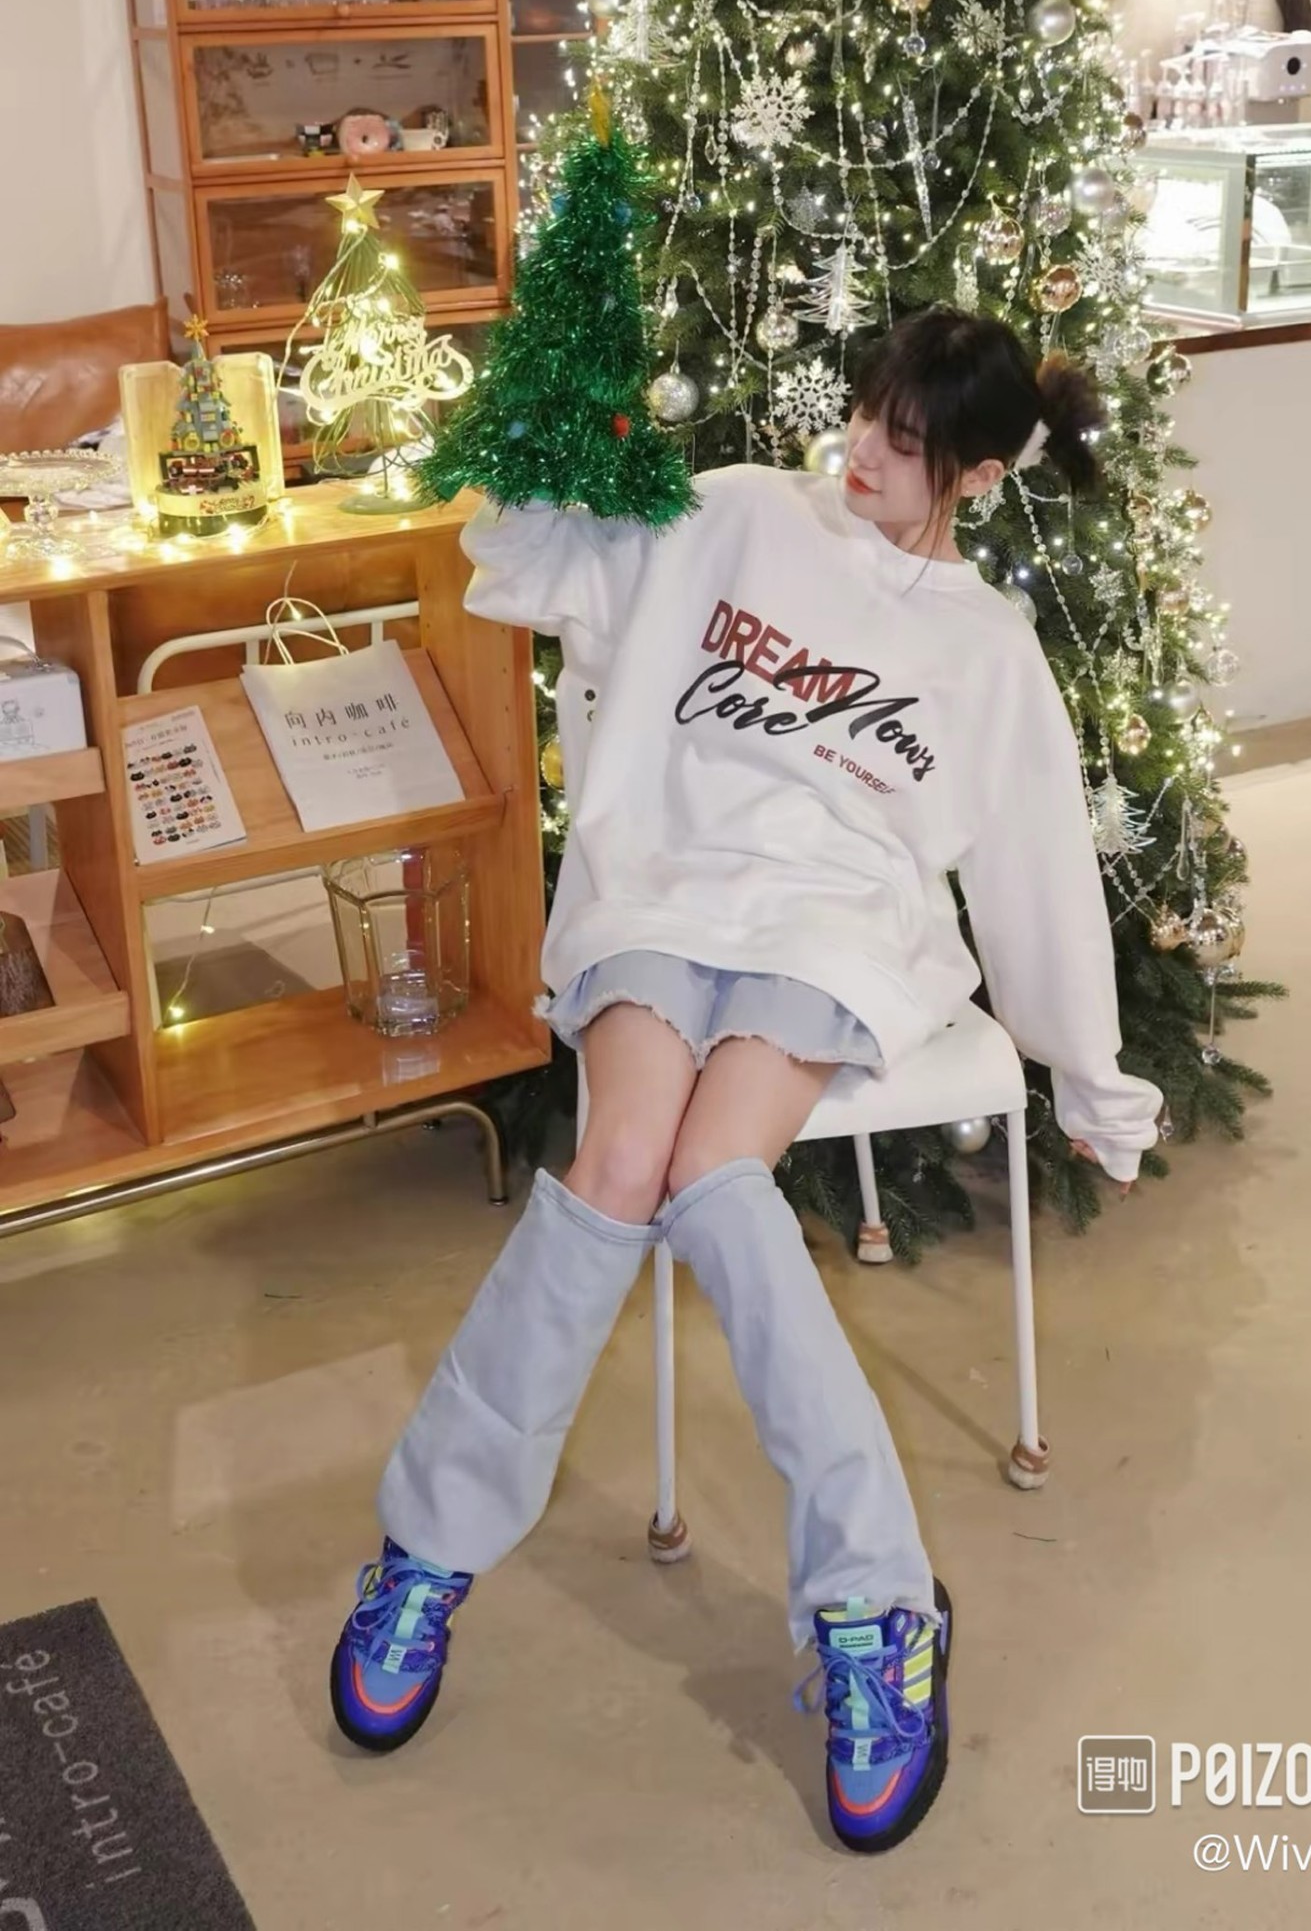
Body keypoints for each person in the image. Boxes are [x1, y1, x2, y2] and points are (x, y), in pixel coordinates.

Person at [329, 307, 1164, 1854]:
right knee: (614, 1170)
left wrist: (1091, 1077)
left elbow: (1041, 874)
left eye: (903, 442)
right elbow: (524, 563)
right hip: (659, 885)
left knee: (715, 1179)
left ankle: (876, 1609)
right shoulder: (730, 514)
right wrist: (546, 440)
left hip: (834, 927)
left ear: (976, 473)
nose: (861, 453)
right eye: (864, 413)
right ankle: (427, 1548)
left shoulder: (987, 650)